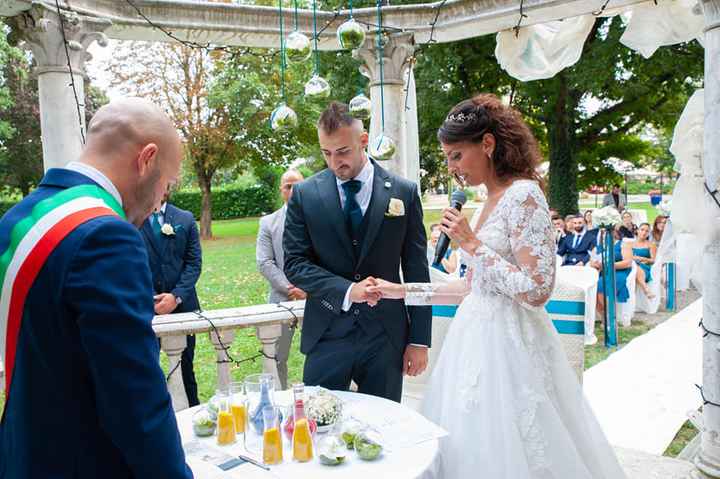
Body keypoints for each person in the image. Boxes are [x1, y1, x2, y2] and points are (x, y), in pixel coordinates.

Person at [368, 94, 626, 478]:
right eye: (448, 157)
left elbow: (538, 290)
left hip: (511, 348)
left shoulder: (524, 195)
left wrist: (472, 244)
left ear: (487, 144)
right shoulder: (485, 202)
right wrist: (398, 290)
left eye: (457, 155)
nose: (453, 167)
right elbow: (468, 288)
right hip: (470, 342)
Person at [0, 98, 192, 478]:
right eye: (166, 185)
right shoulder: (106, 236)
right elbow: (134, 400)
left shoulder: (17, 218)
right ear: (147, 159)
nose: (159, 204)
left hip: (23, 451)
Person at [283, 101, 431, 402]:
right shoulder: (304, 194)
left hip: (386, 337)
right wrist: (349, 290)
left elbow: (416, 269)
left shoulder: (403, 192)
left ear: (363, 141)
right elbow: (295, 264)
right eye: (326, 153)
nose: (335, 162)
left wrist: (419, 340)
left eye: (343, 152)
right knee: (319, 424)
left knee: (383, 430)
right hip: (327, 333)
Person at [141, 190, 202, 407]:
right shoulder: (131, 220)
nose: (162, 187)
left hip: (183, 306)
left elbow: (194, 263)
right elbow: (127, 265)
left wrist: (175, 297)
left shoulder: (184, 218)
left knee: (186, 366)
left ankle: (193, 409)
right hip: (147, 310)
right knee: (148, 367)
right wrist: (150, 300)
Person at [256, 168, 306, 390]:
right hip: (281, 298)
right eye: (288, 186)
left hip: (315, 297)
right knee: (277, 356)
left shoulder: (321, 218)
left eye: (298, 185)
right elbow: (265, 262)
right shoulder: (268, 223)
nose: (293, 190)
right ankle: (280, 398)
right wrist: (291, 288)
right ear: (281, 190)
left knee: (323, 353)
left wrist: (309, 289)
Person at [592, 225, 634, 315]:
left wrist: (609, 265)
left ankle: (609, 315)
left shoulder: (623, 244)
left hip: (618, 271)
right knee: (591, 287)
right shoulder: (597, 247)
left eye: (607, 232)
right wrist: (596, 264)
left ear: (614, 232)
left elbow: (628, 262)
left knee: (600, 285)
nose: (605, 234)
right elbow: (592, 262)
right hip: (601, 272)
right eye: (602, 232)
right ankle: (604, 315)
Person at [632, 223, 657, 299]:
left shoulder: (651, 244)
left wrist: (642, 259)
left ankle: (646, 289)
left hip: (644, 266)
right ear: (637, 230)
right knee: (634, 267)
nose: (644, 232)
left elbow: (653, 260)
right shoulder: (630, 243)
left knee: (637, 268)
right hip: (631, 265)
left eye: (647, 231)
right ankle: (646, 290)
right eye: (642, 229)